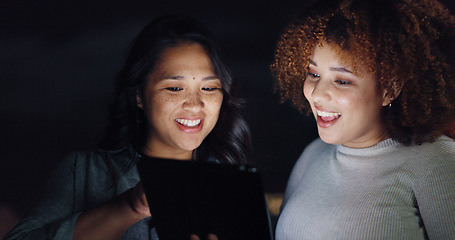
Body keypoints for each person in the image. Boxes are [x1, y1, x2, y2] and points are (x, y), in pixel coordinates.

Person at [4, 15, 252, 240]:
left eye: (209, 88)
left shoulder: (233, 186)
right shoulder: (83, 172)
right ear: (139, 96)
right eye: (174, 88)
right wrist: (131, 207)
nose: (195, 104)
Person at [270, 0, 455, 239]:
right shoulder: (313, 155)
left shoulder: (438, 162)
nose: (316, 93)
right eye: (313, 74)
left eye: (342, 80)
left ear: (390, 88)